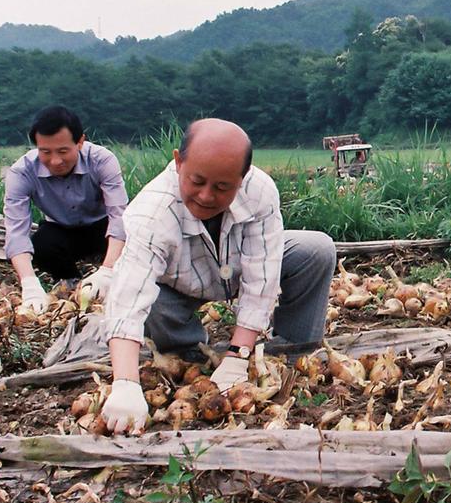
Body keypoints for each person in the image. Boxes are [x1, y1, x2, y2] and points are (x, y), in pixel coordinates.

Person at [99, 119, 337, 435]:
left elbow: (262, 273)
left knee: (316, 249)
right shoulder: (151, 213)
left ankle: (291, 353)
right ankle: (193, 357)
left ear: (242, 178)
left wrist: (239, 354)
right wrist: (125, 383)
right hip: (178, 284)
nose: (207, 196)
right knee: (154, 304)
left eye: (223, 187)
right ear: (178, 161)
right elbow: (128, 298)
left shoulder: (259, 190)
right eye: (197, 181)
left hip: (235, 269)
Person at [4, 106, 129, 312]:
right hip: (61, 230)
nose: (55, 161)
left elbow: (119, 216)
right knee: (42, 245)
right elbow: (16, 231)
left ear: (80, 142)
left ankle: (106, 272)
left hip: (101, 227)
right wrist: (29, 283)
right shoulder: (21, 172)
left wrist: (107, 271)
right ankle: (71, 281)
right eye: (45, 152)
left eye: (63, 151)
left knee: (133, 237)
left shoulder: (102, 160)